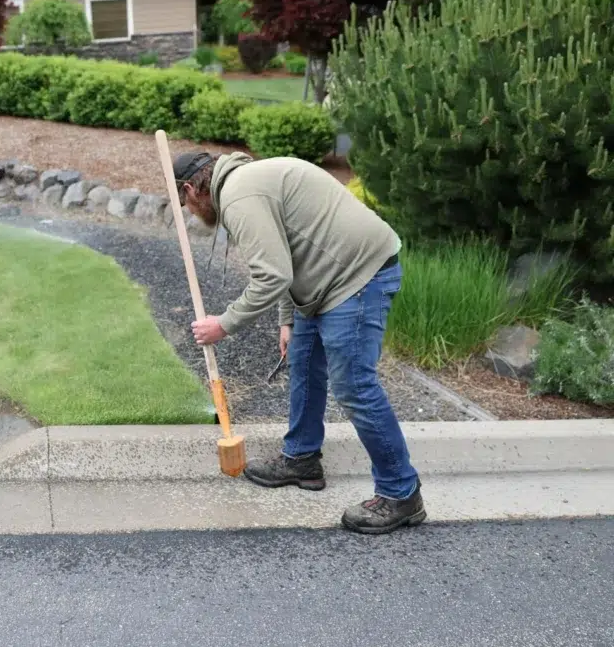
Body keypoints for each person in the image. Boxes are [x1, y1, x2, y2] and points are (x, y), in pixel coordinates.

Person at [170, 149, 426, 535]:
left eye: (184, 204)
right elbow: (291, 250)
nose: (190, 212)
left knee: (354, 385)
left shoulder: (240, 197)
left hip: (356, 277)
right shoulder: (246, 182)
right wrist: (288, 319)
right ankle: (302, 459)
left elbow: (271, 276)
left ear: (192, 189)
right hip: (323, 281)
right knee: (302, 361)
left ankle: (400, 492)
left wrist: (224, 325)